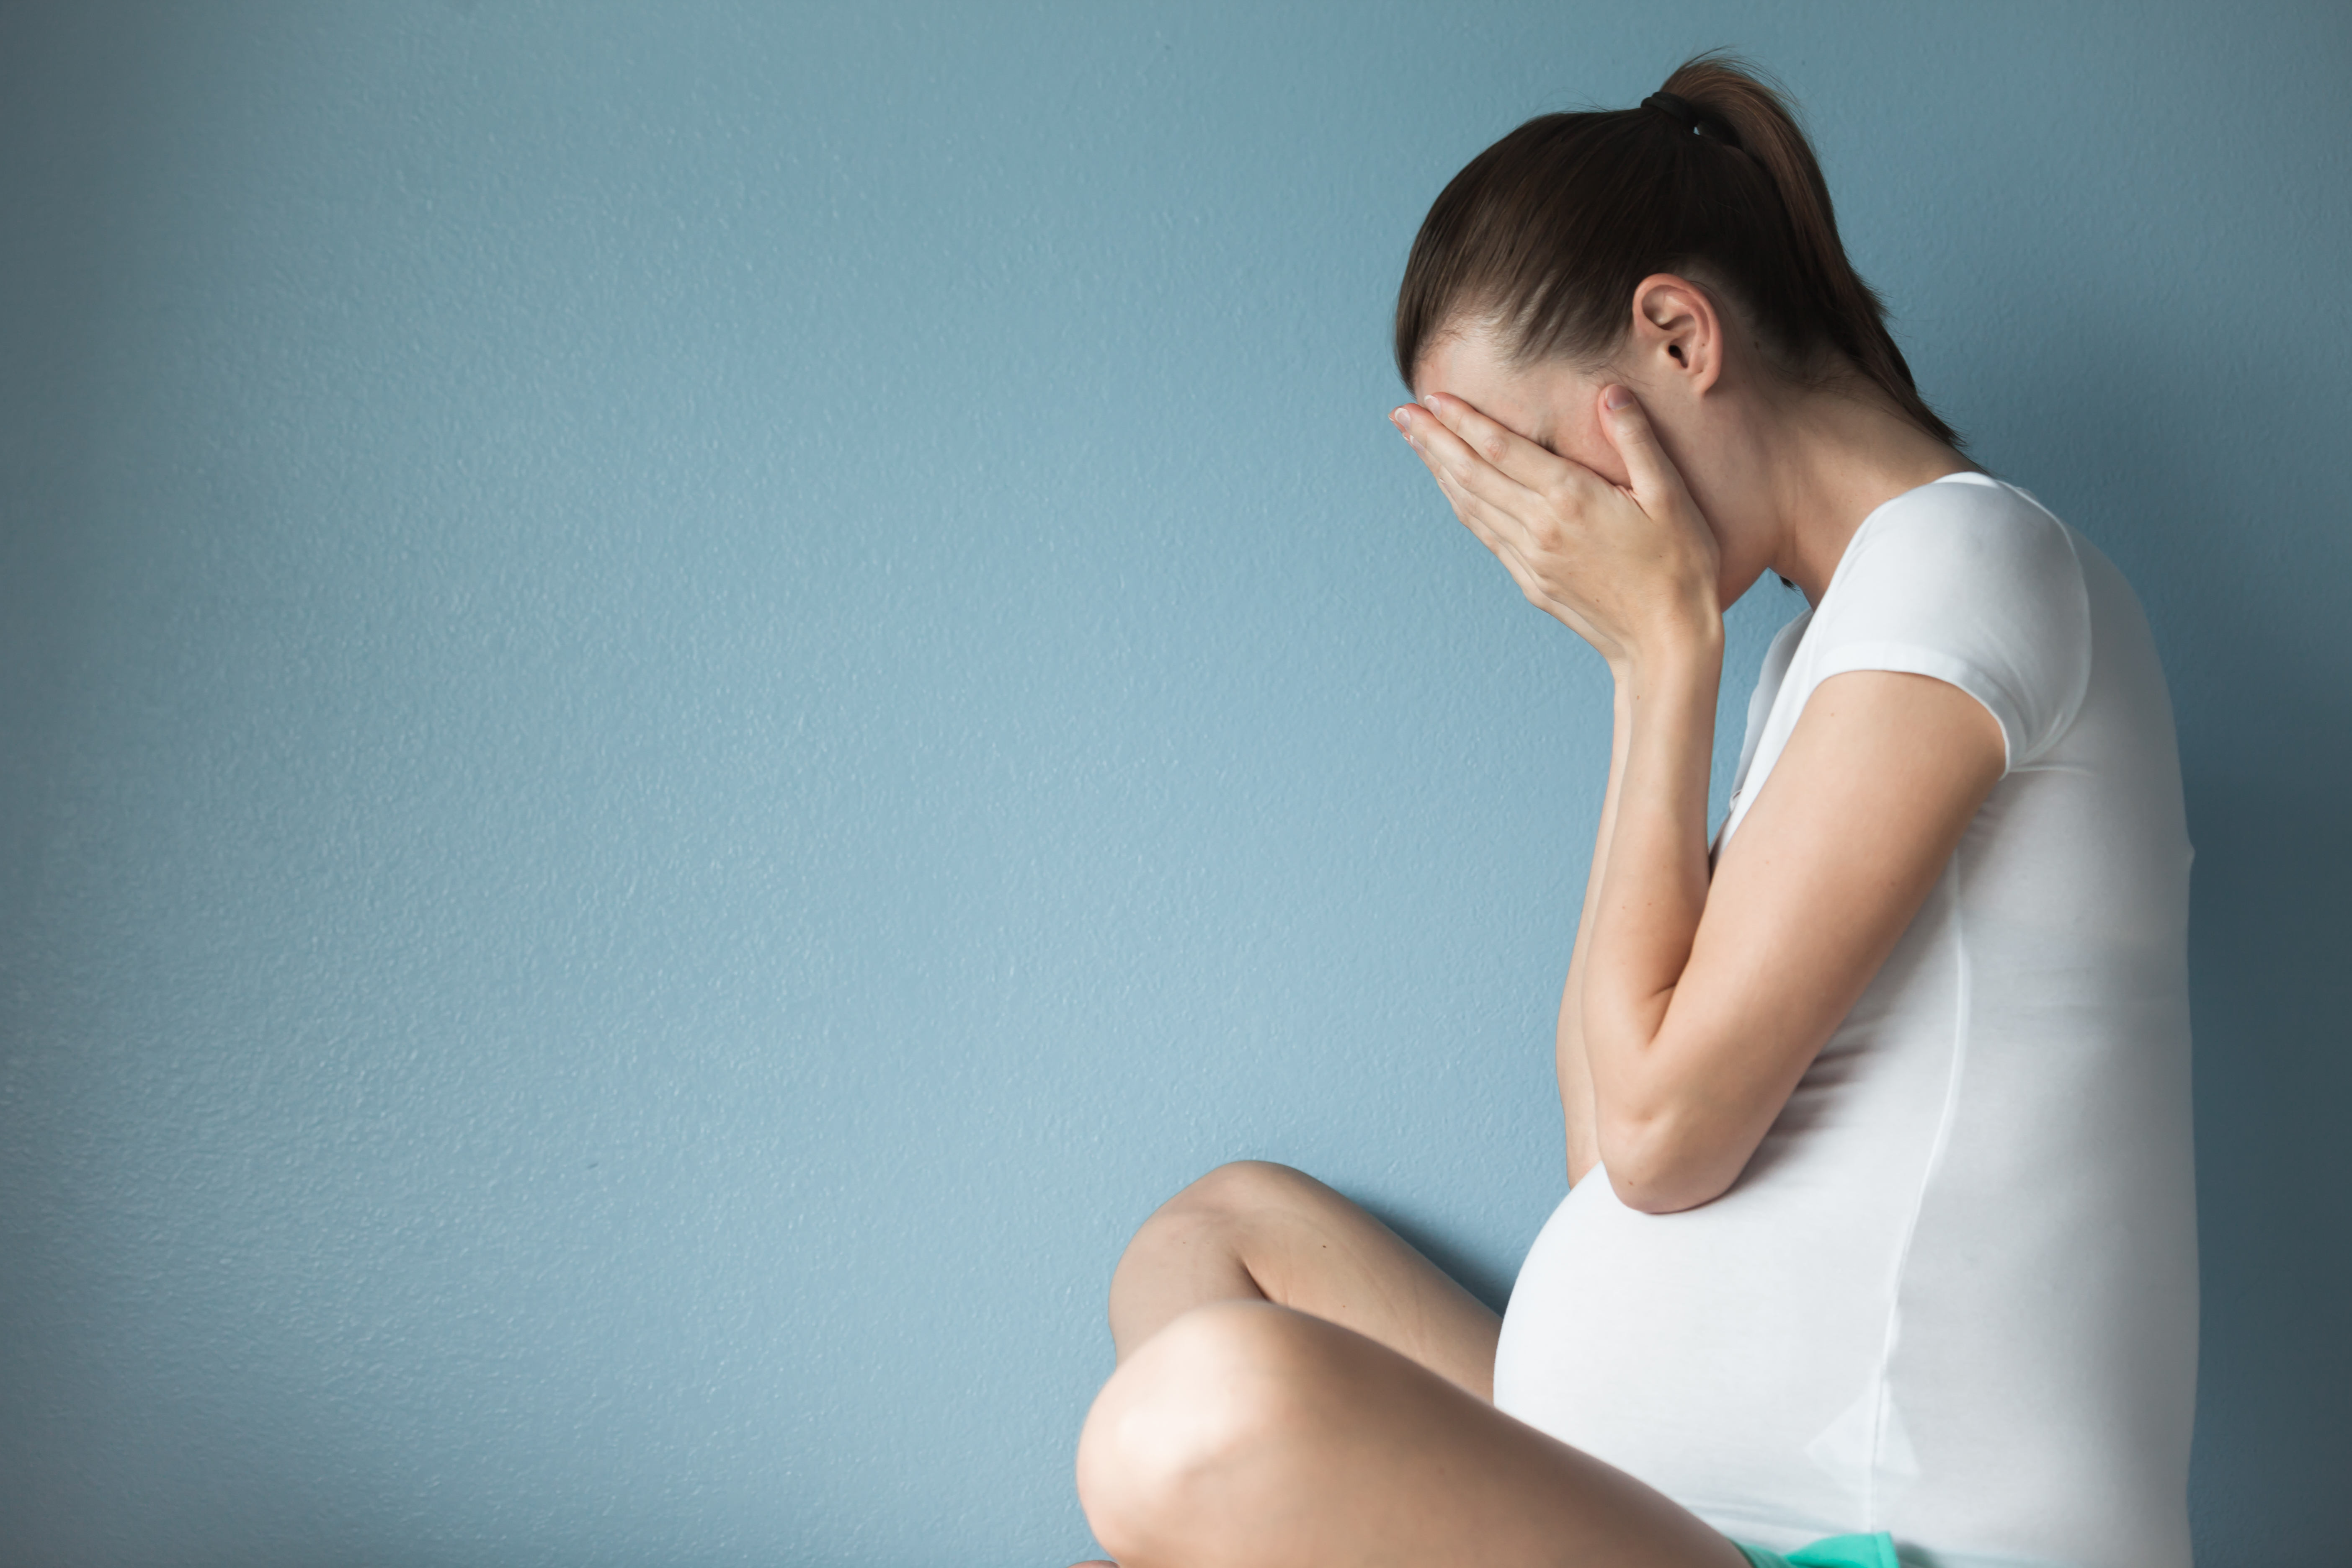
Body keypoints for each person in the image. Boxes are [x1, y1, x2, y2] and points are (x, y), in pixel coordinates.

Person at [1066, 53, 2197, 1568]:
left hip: (1878, 1547)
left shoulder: (1967, 564)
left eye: (1528, 461)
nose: (1539, 537)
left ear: (1677, 334)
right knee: (1214, 1239)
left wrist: (1662, 655)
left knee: (1196, 1415)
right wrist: (1649, 677)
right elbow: (1607, 1156)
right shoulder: (1823, 647)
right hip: (1679, 1519)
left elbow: (1663, 1140)